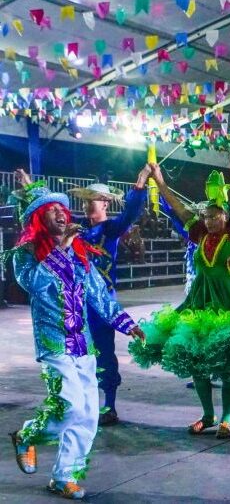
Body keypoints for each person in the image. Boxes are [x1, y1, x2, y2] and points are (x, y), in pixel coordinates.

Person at [129, 156, 230, 439]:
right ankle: (207, 414)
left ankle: (226, 417)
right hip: (198, 306)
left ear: (225, 215)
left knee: (228, 364)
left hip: (227, 306)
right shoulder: (199, 236)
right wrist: (159, 181)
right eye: (207, 216)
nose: (209, 220)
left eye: (215, 215)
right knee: (197, 362)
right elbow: (178, 208)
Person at [9, 186, 144, 500]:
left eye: (62, 208)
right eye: (51, 209)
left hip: (84, 344)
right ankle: (26, 434)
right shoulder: (25, 253)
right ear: (39, 218)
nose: (60, 213)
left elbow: (98, 293)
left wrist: (126, 324)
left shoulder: (79, 252)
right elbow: (35, 285)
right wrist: (60, 248)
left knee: (87, 415)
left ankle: (63, 476)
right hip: (54, 344)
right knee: (69, 407)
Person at [66, 166, 151, 426]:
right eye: (85, 200)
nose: (87, 204)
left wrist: (140, 181)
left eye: (93, 199)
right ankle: (79, 402)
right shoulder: (75, 229)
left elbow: (131, 213)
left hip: (102, 301)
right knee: (74, 352)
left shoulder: (111, 229)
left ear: (105, 203)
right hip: (75, 301)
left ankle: (109, 405)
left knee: (103, 351)